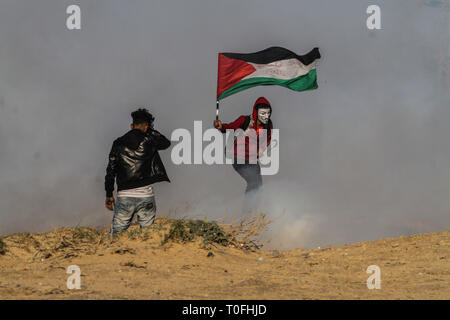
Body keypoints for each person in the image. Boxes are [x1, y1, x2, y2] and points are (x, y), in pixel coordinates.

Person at [104, 108, 171, 234]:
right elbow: (166, 143)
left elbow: (110, 170)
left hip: (124, 195)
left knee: (116, 234)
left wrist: (109, 194)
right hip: (146, 195)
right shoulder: (149, 140)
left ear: (131, 126)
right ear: (146, 127)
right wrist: (149, 130)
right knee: (147, 235)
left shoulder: (118, 143)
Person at [213, 97, 273, 209]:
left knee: (259, 184)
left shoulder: (268, 125)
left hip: (252, 158)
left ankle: (255, 213)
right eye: (263, 113)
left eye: (268, 113)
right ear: (256, 112)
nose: (266, 116)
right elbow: (230, 127)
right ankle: (247, 215)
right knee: (253, 182)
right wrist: (221, 127)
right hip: (238, 157)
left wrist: (261, 149)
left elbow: (268, 138)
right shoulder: (244, 120)